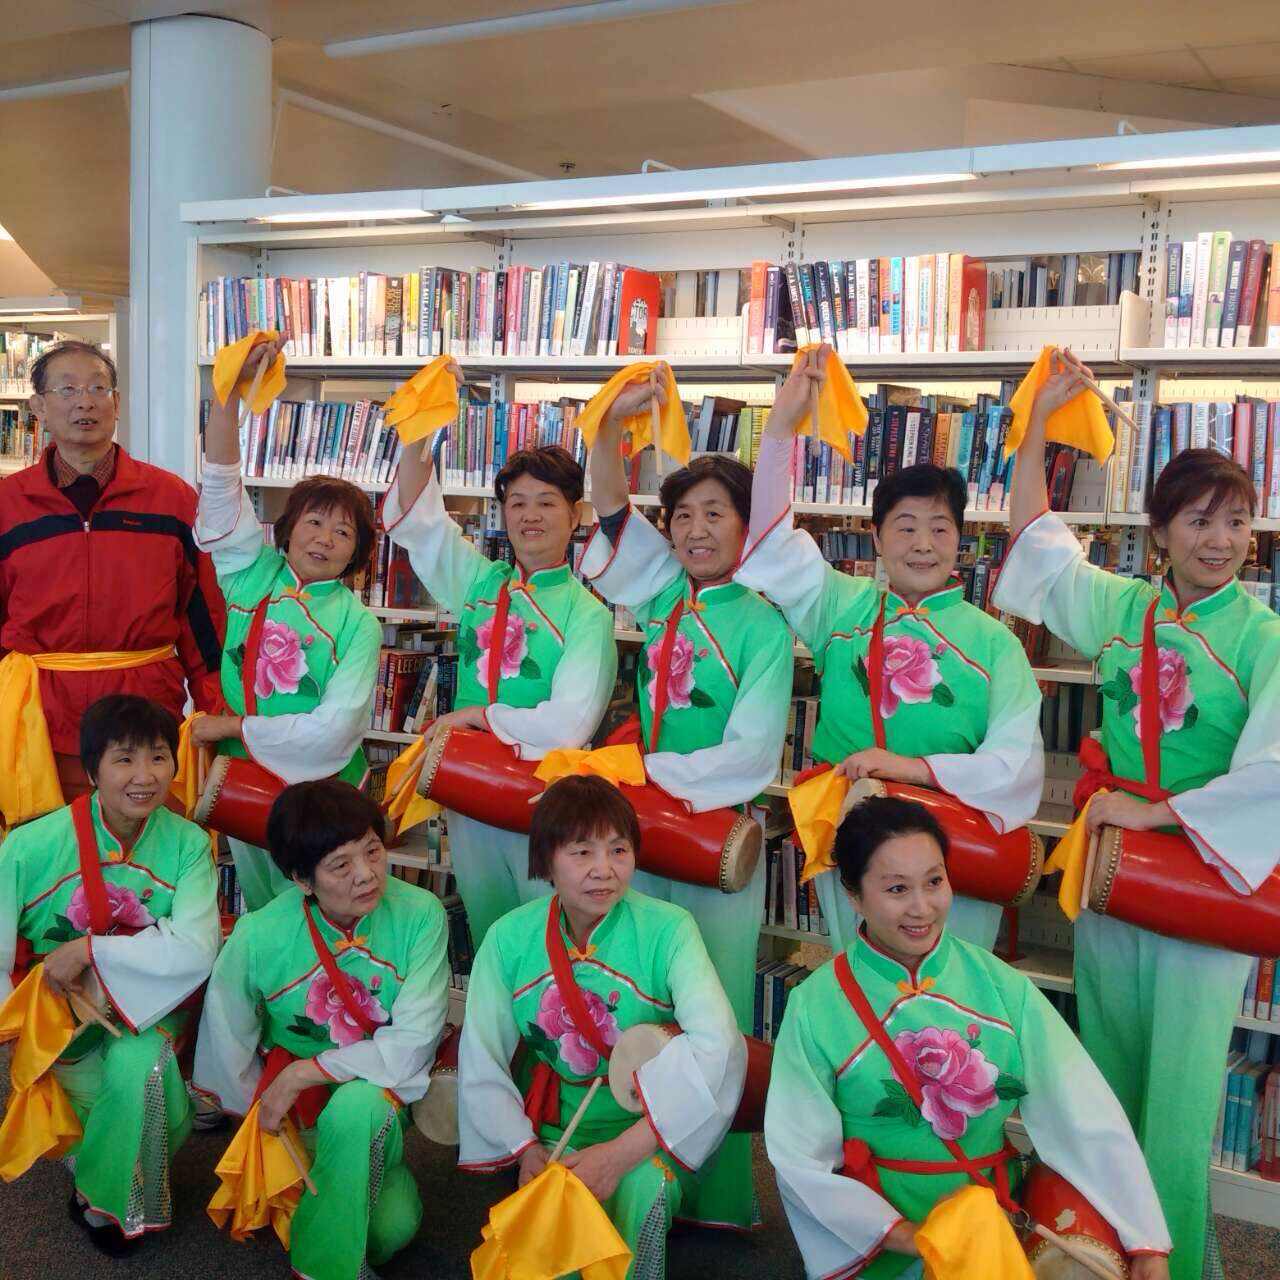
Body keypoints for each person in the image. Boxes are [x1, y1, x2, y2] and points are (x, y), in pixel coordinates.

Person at [993, 350, 1280, 1280]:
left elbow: (1274, 771)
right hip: (1113, 871)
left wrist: (1157, 816)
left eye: (1236, 521)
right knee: (1108, 1076)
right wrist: (1038, 426)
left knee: (1184, 1097)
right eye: (1199, 520)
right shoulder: (1122, 607)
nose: (1220, 540)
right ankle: (1105, 1255)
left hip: (1207, 881)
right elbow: (1036, 542)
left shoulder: (1266, 636)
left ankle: (1181, 1267)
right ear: (1159, 531)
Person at [764, 794, 1171, 1280]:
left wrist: (1145, 1240)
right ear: (853, 895)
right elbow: (798, 1156)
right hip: (879, 1239)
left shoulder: (1002, 987)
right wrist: (908, 1236)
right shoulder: (816, 1004)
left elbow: (1083, 1112)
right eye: (897, 889)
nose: (922, 907)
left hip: (991, 1225)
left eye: (934, 881)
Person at [735, 345, 1044, 952]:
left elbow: (1017, 765)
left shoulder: (996, 644)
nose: (923, 544)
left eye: (940, 528)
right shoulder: (838, 606)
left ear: (960, 540)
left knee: (951, 987)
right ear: (876, 538)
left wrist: (913, 770)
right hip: (850, 828)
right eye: (905, 527)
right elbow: (772, 540)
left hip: (955, 847)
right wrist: (779, 431)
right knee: (858, 977)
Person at [581, 380, 791, 1231]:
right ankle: (640, 1174)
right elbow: (606, 504)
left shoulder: (765, 624)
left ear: (746, 525)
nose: (696, 530)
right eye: (683, 516)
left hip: (713, 841)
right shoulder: (665, 594)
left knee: (716, 1012)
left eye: (716, 514)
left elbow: (750, 754)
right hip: (644, 833)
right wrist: (608, 424)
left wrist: (640, 770)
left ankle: (720, 1195)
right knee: (642, 999)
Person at [458, 774, 745, 1280]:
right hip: (553, 1130)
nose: (604, 870)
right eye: (581, 852)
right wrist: (525, 1148)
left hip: (650, 1131)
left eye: (618, 850)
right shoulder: (509, 938)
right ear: (546, 860)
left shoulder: (670, 928)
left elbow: (718, 1045)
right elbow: (482, 1055)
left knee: (642, 1193)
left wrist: (619, 1154)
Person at [385, 373, 617, 945]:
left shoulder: (588, 615)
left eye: (546, 503)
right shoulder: (480, 582)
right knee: (490, 930)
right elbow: (420, 523)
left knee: (551, 936)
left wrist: (478, 716)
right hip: (468, 789)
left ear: (577, 515)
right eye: (517, 503)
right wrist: (422, 425)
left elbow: (569, 725)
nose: (529, 516)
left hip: (544, 801)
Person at [194, 778, 450, 1280]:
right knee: (359, 1220)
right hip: (294, 1113)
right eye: (340, 865)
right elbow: (227, 1035)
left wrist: (304, 1072)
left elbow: (412, 1043)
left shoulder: (422, 914)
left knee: (389, 1229)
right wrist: (262, 1119)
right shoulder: (259, 934)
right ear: (301, 879)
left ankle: (318, 1265)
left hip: (378, 1095)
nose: (367, 875)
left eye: (372, 851)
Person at [0, 694, 221, 1255]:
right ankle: (109, 1191)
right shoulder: (28, 847)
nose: (145, 776)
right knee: (131, 1111)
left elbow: (197, 950)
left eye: (158, 757)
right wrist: (18, 1032)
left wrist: (90, 950)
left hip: (151, 1013)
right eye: (124, 759)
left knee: (145, 1081)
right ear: (92, 769)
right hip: (62, 1023)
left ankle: (99, 1194)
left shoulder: (189, 844)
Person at [194, 338, 384, 910]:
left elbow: (335, 730)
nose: (325, 539)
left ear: (357, 553)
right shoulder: (250, 573)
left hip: (327, 792)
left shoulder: (358, 623)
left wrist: (232, 727)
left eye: (343, 532)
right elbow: (221, 487)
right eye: (314, 522)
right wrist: (227, 396)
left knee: (330, 909)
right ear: (288, 526)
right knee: (264, 905)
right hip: (245, 780)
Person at [0, 340, 225, 822]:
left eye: (98, 388)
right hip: (37, 725)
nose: (85, 402)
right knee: (49, 852)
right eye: (67, 390)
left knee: (147, 851)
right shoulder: (7, 504)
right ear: (38, 406)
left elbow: (203, 619)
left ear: (117, 403)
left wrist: (217, 711)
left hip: (145, 720)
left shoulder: (171, 499)